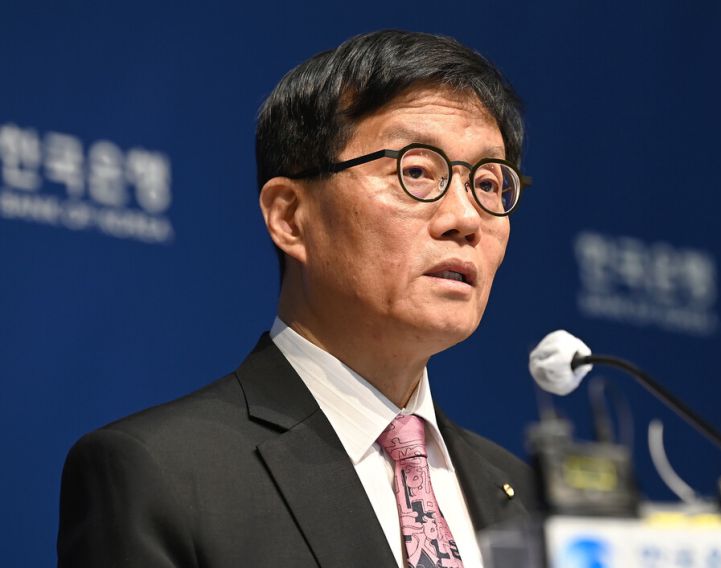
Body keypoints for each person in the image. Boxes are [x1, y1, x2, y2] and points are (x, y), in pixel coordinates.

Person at [58, 30, 537, 567]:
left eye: (488, 184)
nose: (466, 219)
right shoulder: (161, 473)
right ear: (289, 216)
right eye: (417, 172)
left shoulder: (524, 497)